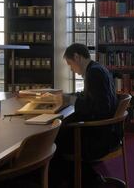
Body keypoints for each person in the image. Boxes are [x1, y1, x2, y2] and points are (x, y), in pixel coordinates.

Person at [51, 43, 120, 188]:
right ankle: (87, 179)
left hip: (99, 137)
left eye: (70, 64)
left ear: (77, 57)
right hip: (107, 132)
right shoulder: (96, 69)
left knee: (54, 143)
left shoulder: (94, 73)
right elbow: (89, 97)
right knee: (60, 135)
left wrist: (70, 100)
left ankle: (83, 180)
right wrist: (68, 97)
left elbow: (100, 108)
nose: (71, 69)